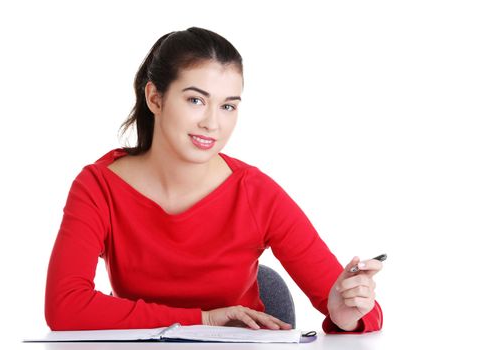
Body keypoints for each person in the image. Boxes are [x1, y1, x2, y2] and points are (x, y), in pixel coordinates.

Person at [44, 26, 383, 333]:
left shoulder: (256, 192)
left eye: (227, 107)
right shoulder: (98, 187)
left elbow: (358, 309)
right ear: (155, 98)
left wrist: (347, 313)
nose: (212, 123)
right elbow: (65, 307)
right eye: (196, 100)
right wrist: (203, 319)